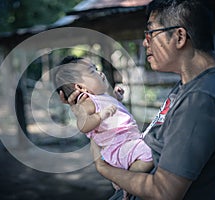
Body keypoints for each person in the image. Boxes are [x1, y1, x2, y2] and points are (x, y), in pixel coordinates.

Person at [62, 0, 215, 199]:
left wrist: (103, 168)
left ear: (179, 37)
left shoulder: (200, 98)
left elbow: (163, 191)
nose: (146, 42)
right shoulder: (189, 85)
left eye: (151, 33)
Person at [54, 56, 153, 196]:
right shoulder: (88, 102)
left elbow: (113, 111)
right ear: (80, 87)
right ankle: (127, 181)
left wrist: (117, 99)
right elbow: (82, 125)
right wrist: (100, 116)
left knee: (149, 149)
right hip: (117, 147)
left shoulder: (103, 98)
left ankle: (124, 179)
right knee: (149, 155)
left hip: (128, 141)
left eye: (97, 68)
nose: (100, 73)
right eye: (92, 71)